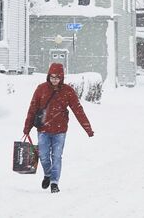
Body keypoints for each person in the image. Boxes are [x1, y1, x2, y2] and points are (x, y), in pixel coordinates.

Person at [23, 63, 94, 193]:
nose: (54, 79)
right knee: (43, 156)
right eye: (52, 76)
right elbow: (32, 108)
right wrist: (27, 127)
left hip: (60, 131)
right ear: (48, 76)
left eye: (58, 77)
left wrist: (87, 128)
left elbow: (78, 110)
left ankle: (54, 182)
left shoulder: (67, 91)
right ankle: (48, 174)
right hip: (43, 129)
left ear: (62, 78)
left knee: (57, 156)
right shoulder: (41, 89)